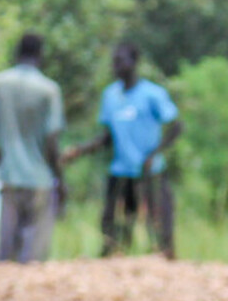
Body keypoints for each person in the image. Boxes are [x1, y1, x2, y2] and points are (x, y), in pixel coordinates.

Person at [63, 42, 180, 257]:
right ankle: (113, 257)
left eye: (120, 62)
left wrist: (154, 154)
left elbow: (176, 126)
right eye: (114, 62)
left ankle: (166, 257)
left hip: (150, 171)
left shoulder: (152, 94)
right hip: (121, 169)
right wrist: (80, 150)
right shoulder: (110, 96)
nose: (116, 67)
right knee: (115, 221)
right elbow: (109, 137)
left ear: (134, 63)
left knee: (159, 220)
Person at [0, 32, 66, 262]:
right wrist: (61, 179)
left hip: (9, 173)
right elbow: (52, 140)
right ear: (40, 54)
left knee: (7, 253)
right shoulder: (49, 90)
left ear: (17, 53)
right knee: (34, 256)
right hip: (40, 179)